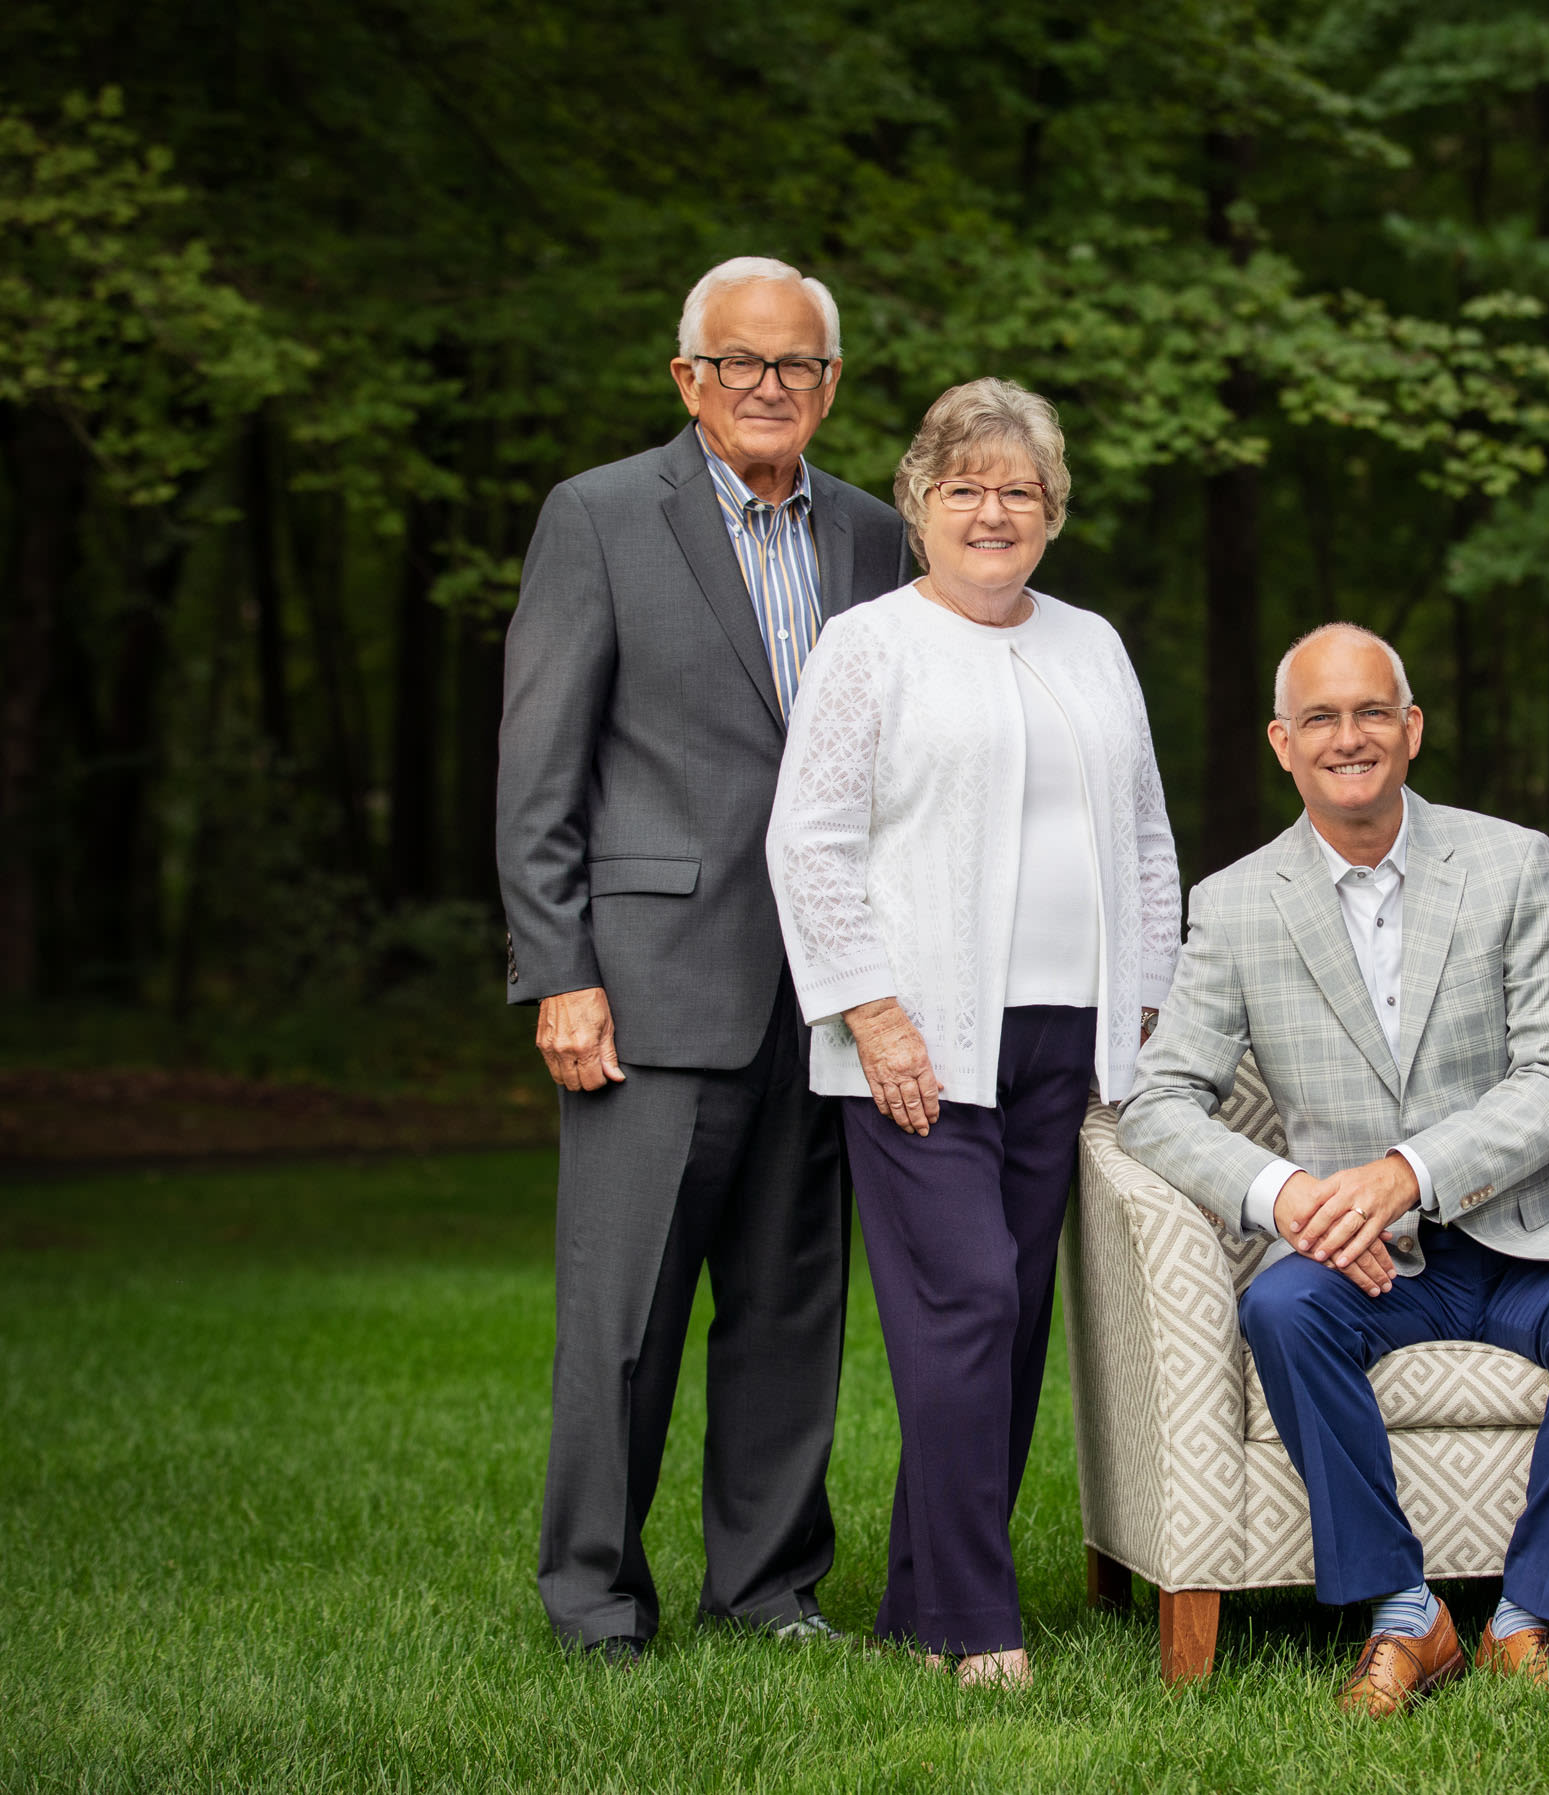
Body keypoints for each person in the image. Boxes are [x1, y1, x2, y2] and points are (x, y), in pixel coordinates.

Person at [1119, 623, 1549, 1717]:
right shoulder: (1233, 903)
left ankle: (1528, 1617)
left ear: (1411, 729)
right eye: (1319, 717)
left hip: (1529, 1235)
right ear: (1283, 743)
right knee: (1280, 1307)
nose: (1348, 736)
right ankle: (1408, 1613)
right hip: (1358, 1260)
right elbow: (1156, 1101)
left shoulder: (1511, 864)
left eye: (1372, 711)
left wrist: (1405, 1174)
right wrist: (1294, 1198)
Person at [498, 257, 911, 1660]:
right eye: (738, 363)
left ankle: (770, 1589)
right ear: (688, 377)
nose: (767, 388)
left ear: (831, 385)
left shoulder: (873, 534)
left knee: (792, 1314)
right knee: (621, 1326)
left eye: (795, 366)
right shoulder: (601, 517)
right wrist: (559, 966)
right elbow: (539, 764)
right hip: (651, 986)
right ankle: (596, 1601)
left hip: (826, 995)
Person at [766, 376, 1180, 1689]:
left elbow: (1148, 836)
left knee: (1006, 1327)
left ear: (1052, 513)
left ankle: (918, 1595)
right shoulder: (868, 646)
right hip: (921, 1040)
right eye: (965, 488)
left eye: (1018, 490)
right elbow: (810, 839)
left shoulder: (1094, 642)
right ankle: (973, 1620)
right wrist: (872, 1011)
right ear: (918, 503)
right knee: (968, 1304)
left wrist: (1153, 996)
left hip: (1071, 1040)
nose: (992, 510)